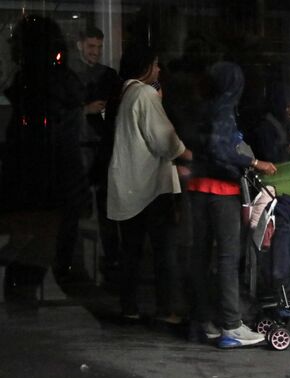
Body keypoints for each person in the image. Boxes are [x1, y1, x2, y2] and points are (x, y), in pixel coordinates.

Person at [187, 61, 277, 348]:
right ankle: (231, 326)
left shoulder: (201, 107)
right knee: (227, 258)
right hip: (222, 192)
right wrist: (253, 161)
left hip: (197, 189)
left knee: (201, 257)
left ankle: (206, 321)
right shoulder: (224, 109)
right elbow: (220, 147)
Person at [0, 15, 88, 285]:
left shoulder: (35, 85)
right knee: (41, 253)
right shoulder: (53, 82)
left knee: (34, 253)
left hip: (43, 183)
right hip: (54, 182)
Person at [107, 44, 192, 319]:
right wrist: (190, 155)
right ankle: (166, 308)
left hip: (128, 184)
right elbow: (164, 139)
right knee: (164, 250)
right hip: (151, 187)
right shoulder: (144, 93)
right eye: (154, 64)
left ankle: (128, 306)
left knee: (130, 250)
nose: (158, 70)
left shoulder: (125, 93)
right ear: (143, 67)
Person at [69, 26, 122, 283]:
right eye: (91, 47)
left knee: (103, 205)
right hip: (83, 146)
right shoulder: (72, 76)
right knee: (83, 206)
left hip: (99, 147)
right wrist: (85, 110)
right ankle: (80, 259)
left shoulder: (106, 76)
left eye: (98, 48)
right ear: (80, 45)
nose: (95, 52)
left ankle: (108, 257)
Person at [251, 82, 290, 163]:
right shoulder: (265, 128)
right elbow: (272, 161)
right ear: (278, 105)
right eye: (289, 105)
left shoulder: (286, 125)